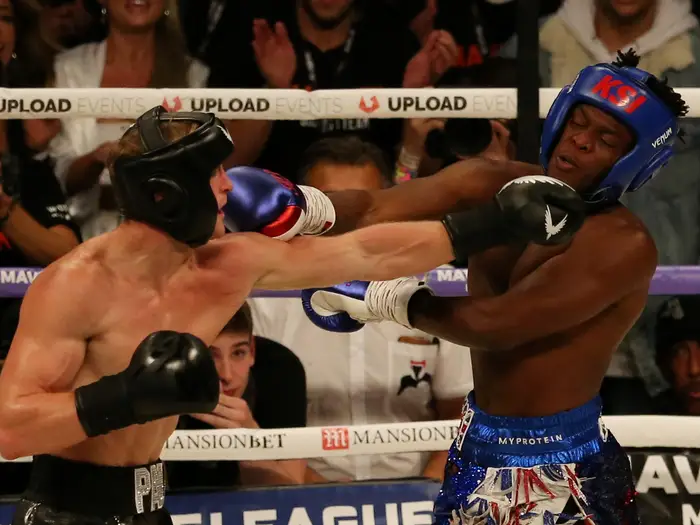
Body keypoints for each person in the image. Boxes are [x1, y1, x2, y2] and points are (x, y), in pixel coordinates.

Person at [0, 105, 583, 525]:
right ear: (167, 192)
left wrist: (491, 224)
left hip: (151, 505)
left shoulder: (225, 263)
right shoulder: (75, 285)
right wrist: (125, 396)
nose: (229, 186)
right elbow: (10, 428)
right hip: (63, 509)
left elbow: (366, 252)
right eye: (212, 173)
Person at [296, 50, 688, 523]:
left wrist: (382, 298)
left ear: (633, 160)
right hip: (476, 446)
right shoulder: (493, 183)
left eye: (606, 139)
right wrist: (301, 206)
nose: (580, 141)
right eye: (578, 122)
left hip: (566, 468)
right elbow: (375, 207)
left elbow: (497, 326)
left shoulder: (622, 244)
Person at [167, 302, 307, 489]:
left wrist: (251, 443)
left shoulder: (279, 370)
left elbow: (291, 496)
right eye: (209, 355)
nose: (226, 375)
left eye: (238, 353)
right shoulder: (158, 379)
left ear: (252, 351)